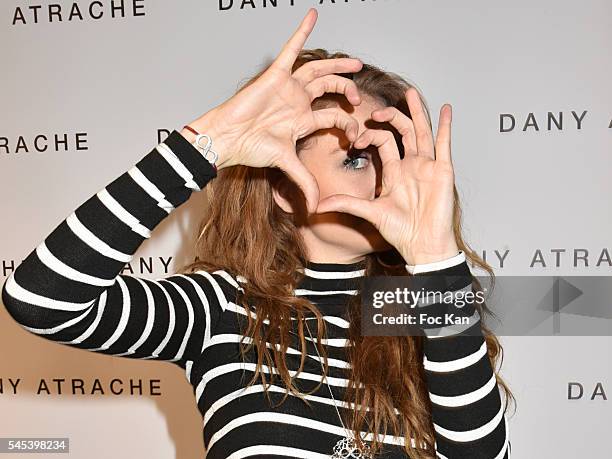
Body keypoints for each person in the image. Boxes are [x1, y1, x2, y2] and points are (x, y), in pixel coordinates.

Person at [2, 7, 513, 459]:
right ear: (285, 189)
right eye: (356, 159)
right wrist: (212, 140)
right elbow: (43, 299)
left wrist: (436, 257)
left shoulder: (425, 310)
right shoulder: (219, 306)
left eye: (391, 158)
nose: (386, 181)